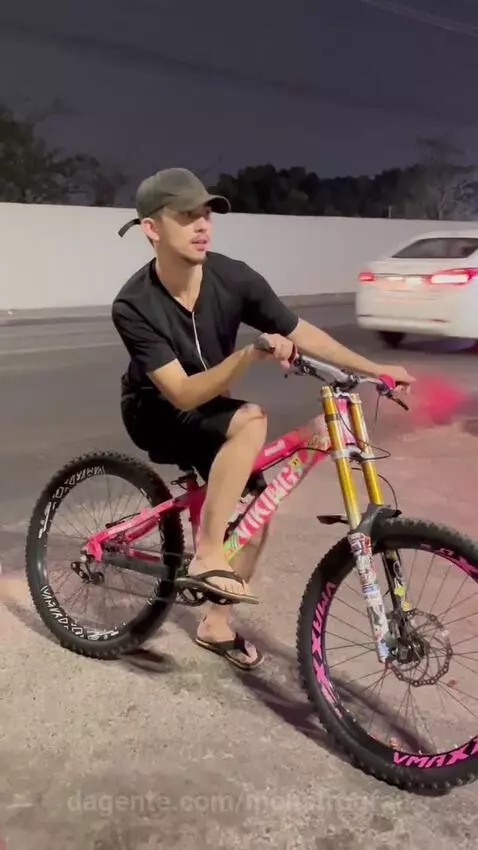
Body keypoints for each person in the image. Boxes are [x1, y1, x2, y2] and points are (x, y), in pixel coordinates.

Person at [112, 167, 414, 670]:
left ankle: (215, 624)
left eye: (206, 214)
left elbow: (301, 331)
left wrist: (374, 369)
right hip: (156, 411)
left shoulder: (234, 277)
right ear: (152, 228)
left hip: (209, 405)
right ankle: (208, 552)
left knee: (257, 510)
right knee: (251, 419)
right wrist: (249, 355)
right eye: (186, 216)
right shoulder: (134, 304)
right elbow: (182, 394)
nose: (202, 225)